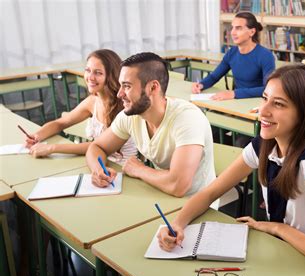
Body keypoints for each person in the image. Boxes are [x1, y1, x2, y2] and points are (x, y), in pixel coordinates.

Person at [158, 64, 305, 270]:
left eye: (279, 104)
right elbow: (211, 192)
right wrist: (178, 223)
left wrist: (276, 228)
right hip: (280, 253)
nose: (263, 111)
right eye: (265, 98)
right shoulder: (265, 145)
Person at [86, 52, 215, 197]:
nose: (119, 94)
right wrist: (98, 170)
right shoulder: (131, 115)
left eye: (127, 86)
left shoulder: (188, 119)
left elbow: (178, 185)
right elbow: (96, 147)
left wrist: (138, 170)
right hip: (159, 193)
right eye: (121, 86)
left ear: (153, 88)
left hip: (196, 204)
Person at [25, 49, 137, 165]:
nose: (90, 77)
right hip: (97, 163)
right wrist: (37, 136)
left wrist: (51, 148)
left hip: (122, 168)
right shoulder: (92, 101)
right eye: (88, 70)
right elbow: (61, 123)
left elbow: (99, 145)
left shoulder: (124, 106)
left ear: (111, 75)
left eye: (98, 73)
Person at [191, 12, 275, 100]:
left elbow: (268, 89)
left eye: (238, 28)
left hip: (257, 103)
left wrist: (234, 93)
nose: (233, 32)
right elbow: (214, 76)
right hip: (236, 101)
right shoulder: (232, 52)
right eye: (232, 28)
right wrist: (201, 84)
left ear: (252, 32)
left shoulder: (266, 56)